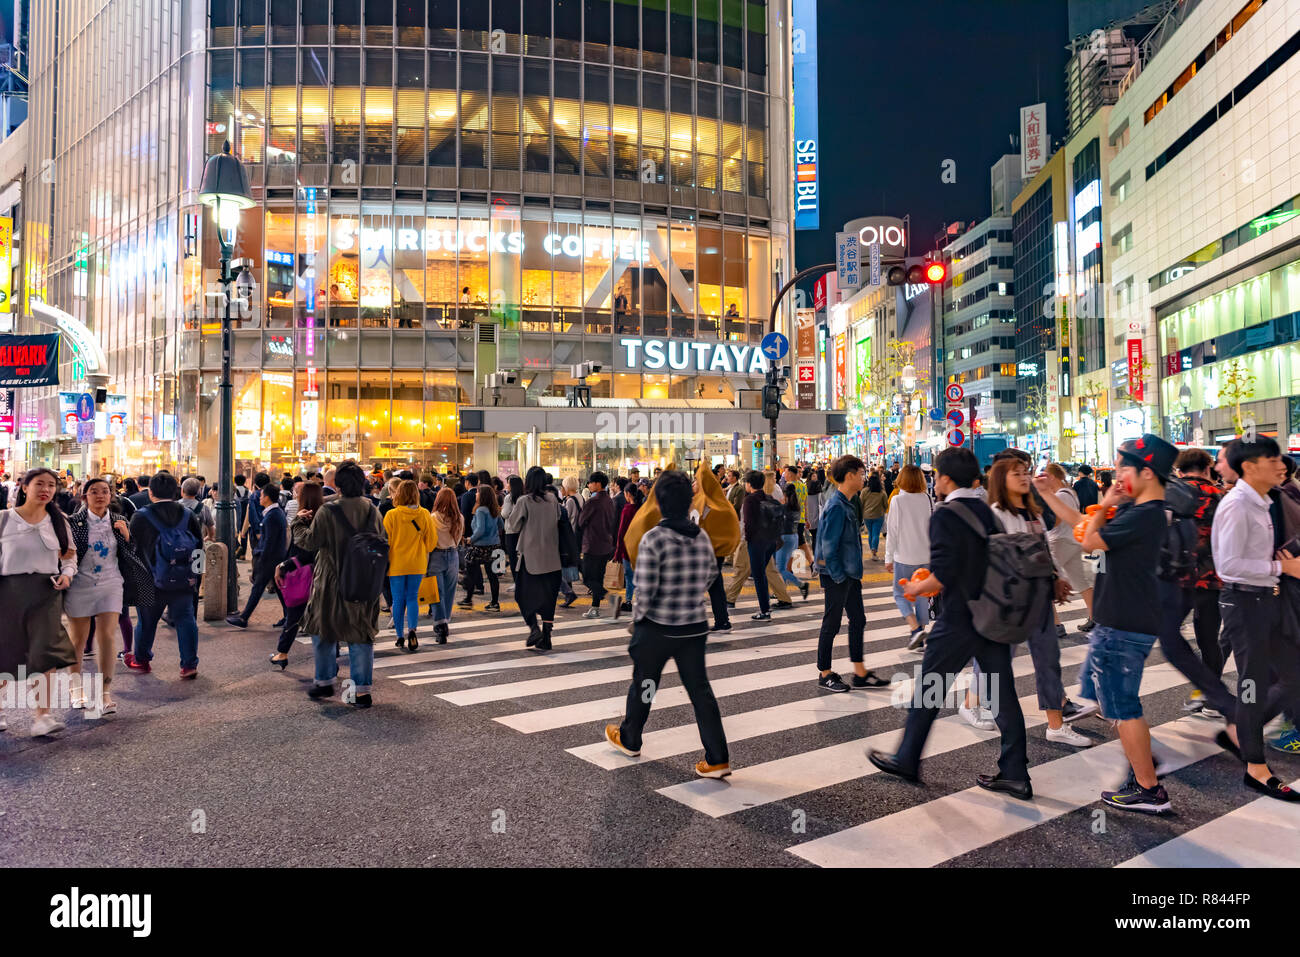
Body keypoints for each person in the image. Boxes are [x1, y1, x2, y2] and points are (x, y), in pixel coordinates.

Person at [869, 446, 1033, 799]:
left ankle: (907, 758)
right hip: (992, 616)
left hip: (959, 618)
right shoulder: (987, 513)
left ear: (943, 478)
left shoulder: (945, 514)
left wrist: (915, 587)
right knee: (1002, 694)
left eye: (937, 477)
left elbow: (942, 574)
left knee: (929, 688)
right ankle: (1016, 773)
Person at [604, 469, 731, 779]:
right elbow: (712, 577)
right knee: (700, 691)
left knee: (646, 685)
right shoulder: (701, 537)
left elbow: (644, 591)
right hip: (694, 627)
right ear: (689, 503)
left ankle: (631, 737)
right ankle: (717, 758)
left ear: (658, 503)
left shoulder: (654, 539)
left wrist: (637, 623)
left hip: (657, 628)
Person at [1077, 433, 1179, 814]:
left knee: (1122, 706)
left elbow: (1089, 543)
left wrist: (1104, 505)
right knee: (1115, 701)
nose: (1118, 475)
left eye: (1124, 467)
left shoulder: (1142, 515)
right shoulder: (1149, 513)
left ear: (1147, 472)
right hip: (1128, 618)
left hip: (1121, 621)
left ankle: (1149, 789)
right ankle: (1144, 770)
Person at [1211, 435, 1300, 802]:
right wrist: (1283, 566)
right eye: (1272, 458)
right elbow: (1228, 566)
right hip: (1244, 604)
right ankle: (1255, 767)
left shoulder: (1263, 501)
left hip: (1268, 600)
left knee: (1293, 674)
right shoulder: (1237, 505)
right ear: (1249, 466)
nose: (1281, 464)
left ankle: (1241, 728)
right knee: (1252, 685)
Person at [987, 457, 1090, 748]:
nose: (1023, 477)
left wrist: (1056, 574)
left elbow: (1044, 546)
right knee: (997, 664)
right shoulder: (997, 514)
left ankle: (1056, 725)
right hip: (1011, 601)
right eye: (1015, 474)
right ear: (1000, 480)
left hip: (1039, 597)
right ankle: (989, 713)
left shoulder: (1032, 512)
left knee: (1048, 661)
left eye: (1024, 472)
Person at [296, 461, 385, 708]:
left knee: (323, 630)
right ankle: (362, 691)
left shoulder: (328, 511)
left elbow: (310, 542)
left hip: (331, 582)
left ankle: (324, 681)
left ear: (338, 485)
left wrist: (298, 523)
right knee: (360, 634)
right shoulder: (372, 512)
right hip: (363, 582)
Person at [0, 469, 78, 736]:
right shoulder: (4, 519)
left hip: (46, 593)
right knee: (6, 653)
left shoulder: (59, 521)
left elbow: (69, 558)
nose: (46, 489)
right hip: (8, 593)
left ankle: (42, 716)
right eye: (39, 484)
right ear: (24, 487)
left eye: (51, 485)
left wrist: (67, 576)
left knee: (45, 653)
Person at [65, 478, 149, 715]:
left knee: (107, 638)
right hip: (80, 584)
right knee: (78, 640)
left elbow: (132, 554)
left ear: (111, 496)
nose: (100, 496)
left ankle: (105, 693)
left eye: (105, 492)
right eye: (94, 492)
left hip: (111, 583)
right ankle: (76, 688)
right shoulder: (73, 523)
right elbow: (66, 555)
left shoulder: (120, 520)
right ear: (84, 496)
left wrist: (127, 536)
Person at [813, 455, 889, 693]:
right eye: (861, 473)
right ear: (850, 476)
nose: (864, 477)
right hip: (840, 574)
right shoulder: (836, 506)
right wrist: (837, 576)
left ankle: (860, 672)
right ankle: (825, 673)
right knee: (832, 623)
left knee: (858, 619)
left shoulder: (846, 502)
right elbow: (828, 545)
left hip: (850, 573)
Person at [124, 471, 203, 679]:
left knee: (146, 622)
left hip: (150, 580)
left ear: (151, 492)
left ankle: (141, 660)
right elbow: (199, 548)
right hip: (184, 580)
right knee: (186, 620)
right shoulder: (188, 515)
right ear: (176, 491)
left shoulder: (141, 516)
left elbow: (133, 550)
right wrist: (196, 579)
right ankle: (189, 665)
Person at [1174, 448, 1228, 712]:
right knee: (1208, 636)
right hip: (1211, 576)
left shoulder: (1170, 494)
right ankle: (1212, 694)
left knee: (1170, 635)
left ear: (1179, 469)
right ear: (1208, 468)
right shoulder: (1221, 496)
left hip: (1176, 576)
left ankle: (1204, 687)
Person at [507, 466, 564, 650]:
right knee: (549, 598)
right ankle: (546, 637)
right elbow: (557, 519)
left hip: (530, 558)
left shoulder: (524, 501)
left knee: (522, 595)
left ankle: (533, 628)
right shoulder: (553, 499)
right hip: (553, 557)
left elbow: (513, 525)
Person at [269, 481, 324, 668]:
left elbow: (304, 552)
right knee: (317, 618)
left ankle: (283, 653)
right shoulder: (323, 517)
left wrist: (284, 565)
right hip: (321, 574)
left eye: (299, 493)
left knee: (294, 614)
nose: (295, 495)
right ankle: (329, 660)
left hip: (303, 573)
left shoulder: (306, 519)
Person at [1035, 463, 1095, 632]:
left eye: (1045, 475)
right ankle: (1095, 617)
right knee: (1080, 581)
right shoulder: (1071, 492)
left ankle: (1055, 624)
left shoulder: (1060, 496)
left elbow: (1057, 520)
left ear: (1052, 477)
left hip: (1059, 541)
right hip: (1073, 540)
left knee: (1046, 580)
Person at [383, 479, 437, 651]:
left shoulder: (392, 515)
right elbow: (431, 543)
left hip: (397, 563)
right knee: (413, 597)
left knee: (398, 599)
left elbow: (386, 541)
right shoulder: (425, 514)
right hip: (417, 563)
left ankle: (400, 636)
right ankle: (412, 630)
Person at [226, 483, 288, 629]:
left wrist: (261, 561)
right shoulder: (274, 513)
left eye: (261, 495)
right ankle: (288, 616)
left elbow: (269, 542)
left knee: (258, 588)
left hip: (270, 559)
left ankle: (243, 618)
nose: (259, 498)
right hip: (274, 558)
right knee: (278, 589)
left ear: (267, 497)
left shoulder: (273, 515)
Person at [884, 463, 932, 651]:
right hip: (925, 555)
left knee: (899, 594)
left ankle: (914, 630)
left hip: (904, 555)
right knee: (922, 595)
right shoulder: (928, 499)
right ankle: (920, 636)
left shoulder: (898, 501)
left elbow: (892, 531)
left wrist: (888, 556)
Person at [575, 471, 617, 619]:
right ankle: (595, 608)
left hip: (592, 544)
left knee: (587, 578)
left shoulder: (592, 501)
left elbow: (580, 522)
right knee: (598, 577)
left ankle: (612, 600)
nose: (589, 485)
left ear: (598, 484)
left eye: (590, 482)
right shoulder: (609, 500)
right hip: (606, 545)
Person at [426, 487, 463, 644]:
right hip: (453, 555)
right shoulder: (459, 518)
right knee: (449, 592)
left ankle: (440, 626)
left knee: (436, 593)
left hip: (436, 556)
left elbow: (429, 541)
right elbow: (459, 538)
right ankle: (445, 621)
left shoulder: (432, 517)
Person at [460, 484, 501, 611]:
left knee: (471, 573)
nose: (476, 494)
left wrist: (469, 539)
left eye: (477, 492)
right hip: (494, 546)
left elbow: (480, 530)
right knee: (492, 575)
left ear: (482, 495)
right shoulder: (495, 509)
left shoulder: (480, 510)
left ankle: (468, 599)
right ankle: (495, 602)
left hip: (480, 546)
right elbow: (502, 526)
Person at [613, 482, 643, 615]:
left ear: (628, 494)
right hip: (640, 547)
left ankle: (629, 601)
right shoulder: (641, 509)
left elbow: (621, 533)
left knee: (629, 576)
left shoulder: (627, 510)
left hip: (627, 548)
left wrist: (618, 552)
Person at [500, 474, 525, 576]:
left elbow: (505, 514)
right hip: (523, 530)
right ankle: (522, 579)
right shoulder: (524, 497)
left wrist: (502, 509)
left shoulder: (508, 498)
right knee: (522, 556)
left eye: (508, 483)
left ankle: (516, 580)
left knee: (512, 556)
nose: (507, 485)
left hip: (511, 531)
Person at [859, 473, 887, 560]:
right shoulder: (882, 492)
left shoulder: (864, 491)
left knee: (870, 533)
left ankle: (872, 550)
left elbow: (860, 503)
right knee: (876, 534)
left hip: (867, 516)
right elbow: (886, 505)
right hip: (879, 515)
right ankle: (874, 551)